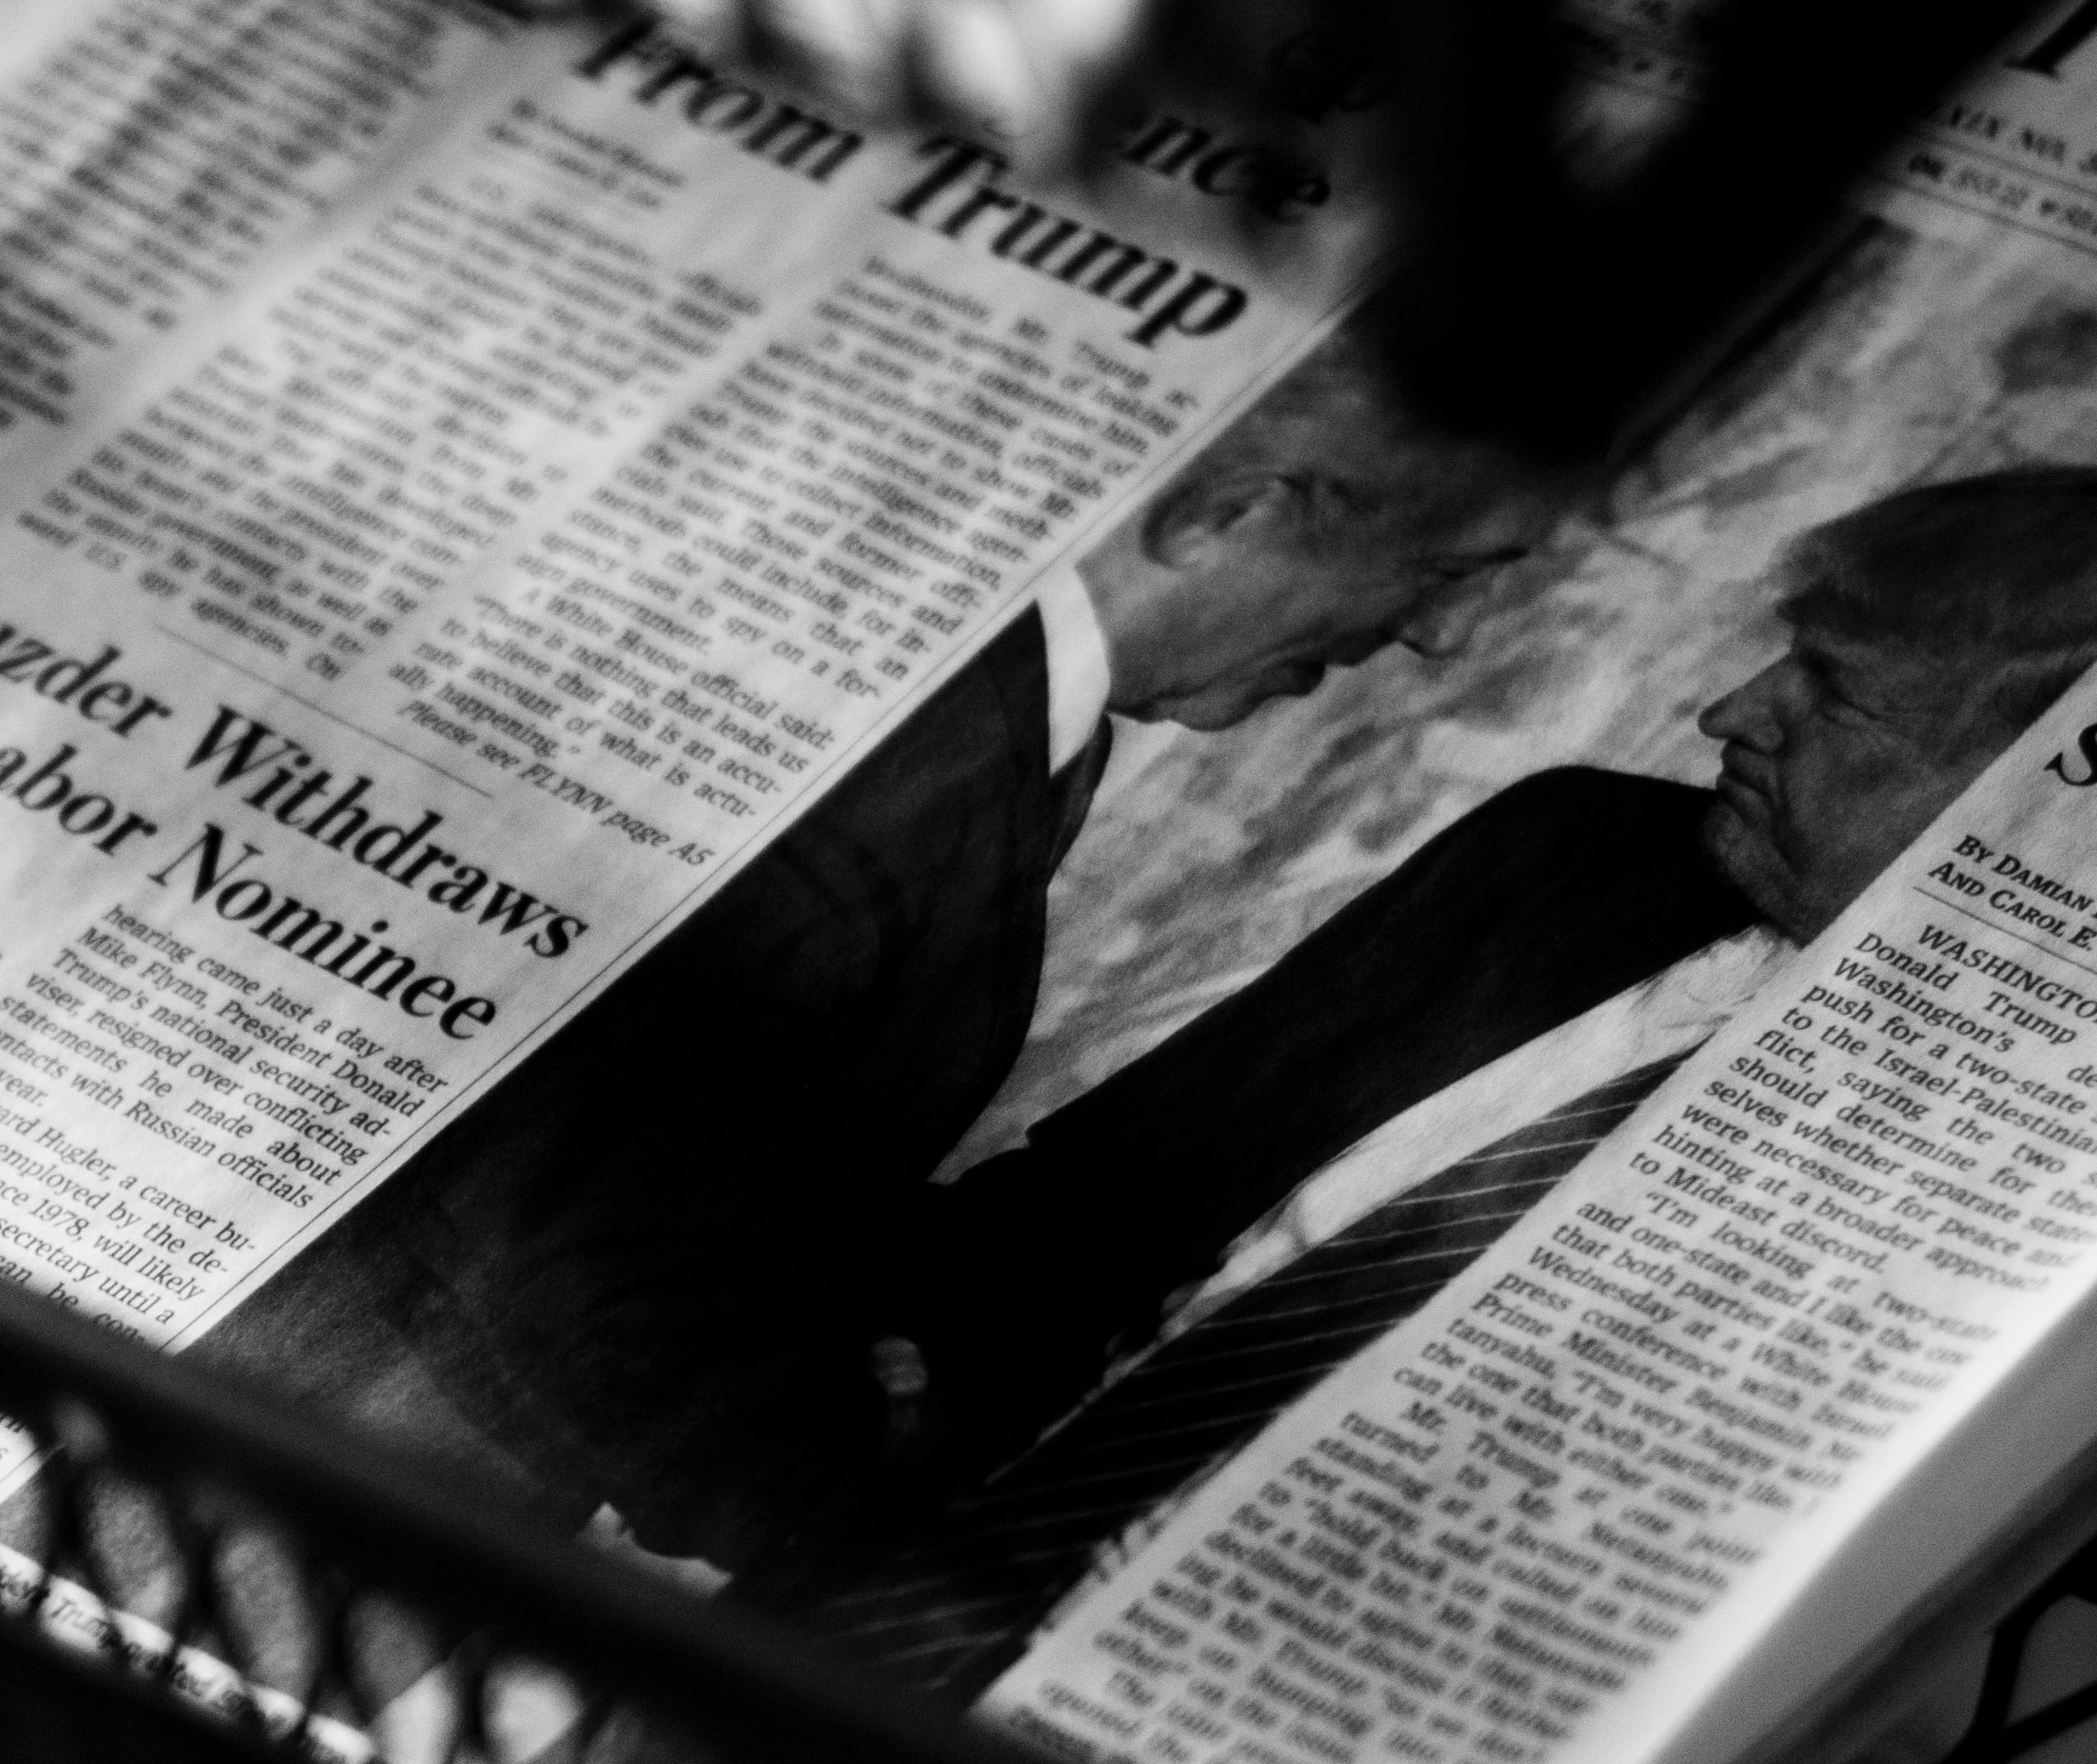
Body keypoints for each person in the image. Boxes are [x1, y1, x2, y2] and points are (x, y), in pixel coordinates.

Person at [199, 331, 1577, 1576]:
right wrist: (839, 1451)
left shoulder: (991, 700)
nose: (1441, 637)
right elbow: (571, 1248)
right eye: (1446, 569)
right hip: (320, 1486)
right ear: (1229, 513)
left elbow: (712, 1142)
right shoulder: (908, 768)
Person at [813, 462, 2097, 1686]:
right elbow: (1086, 1202)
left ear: (2032, 797)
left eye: (1832, 687)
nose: (1732, 711)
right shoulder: (1569, 856)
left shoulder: (2029, 1169)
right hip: (917, 1558)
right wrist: (812, 1360)